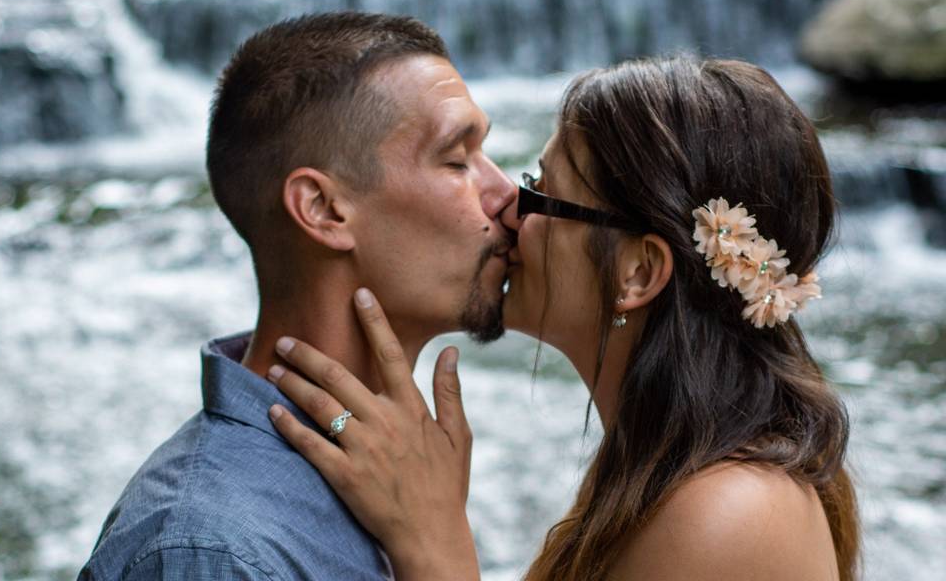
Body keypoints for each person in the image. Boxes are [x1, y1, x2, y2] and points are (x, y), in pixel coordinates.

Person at [266, 56, 861, 580]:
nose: (507, 206)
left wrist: (434, 545)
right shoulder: (663, 461)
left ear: (636, 273)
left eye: (541, 194)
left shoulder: (727, 515)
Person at [79, 12, 515, 580]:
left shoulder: (402, 477)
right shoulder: (208, 552)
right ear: (323, 209)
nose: (505, 193)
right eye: (458, 160)